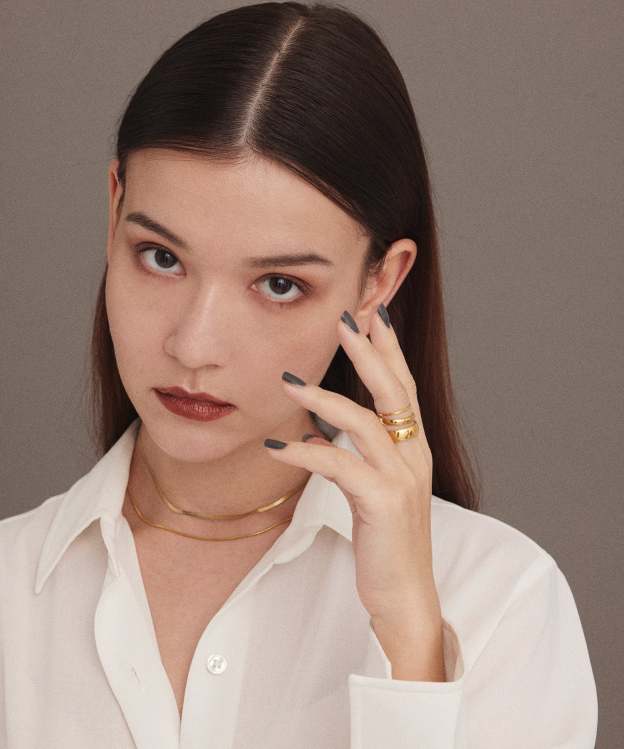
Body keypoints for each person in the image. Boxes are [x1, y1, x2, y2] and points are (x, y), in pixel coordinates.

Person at [0, 2, 598, 747]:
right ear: (114, 208)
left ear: (380, 280)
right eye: (162, 257)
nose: (194, 345)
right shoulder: (11, 589)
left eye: (279, 284)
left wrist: (411, 645)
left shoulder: (499, 599)